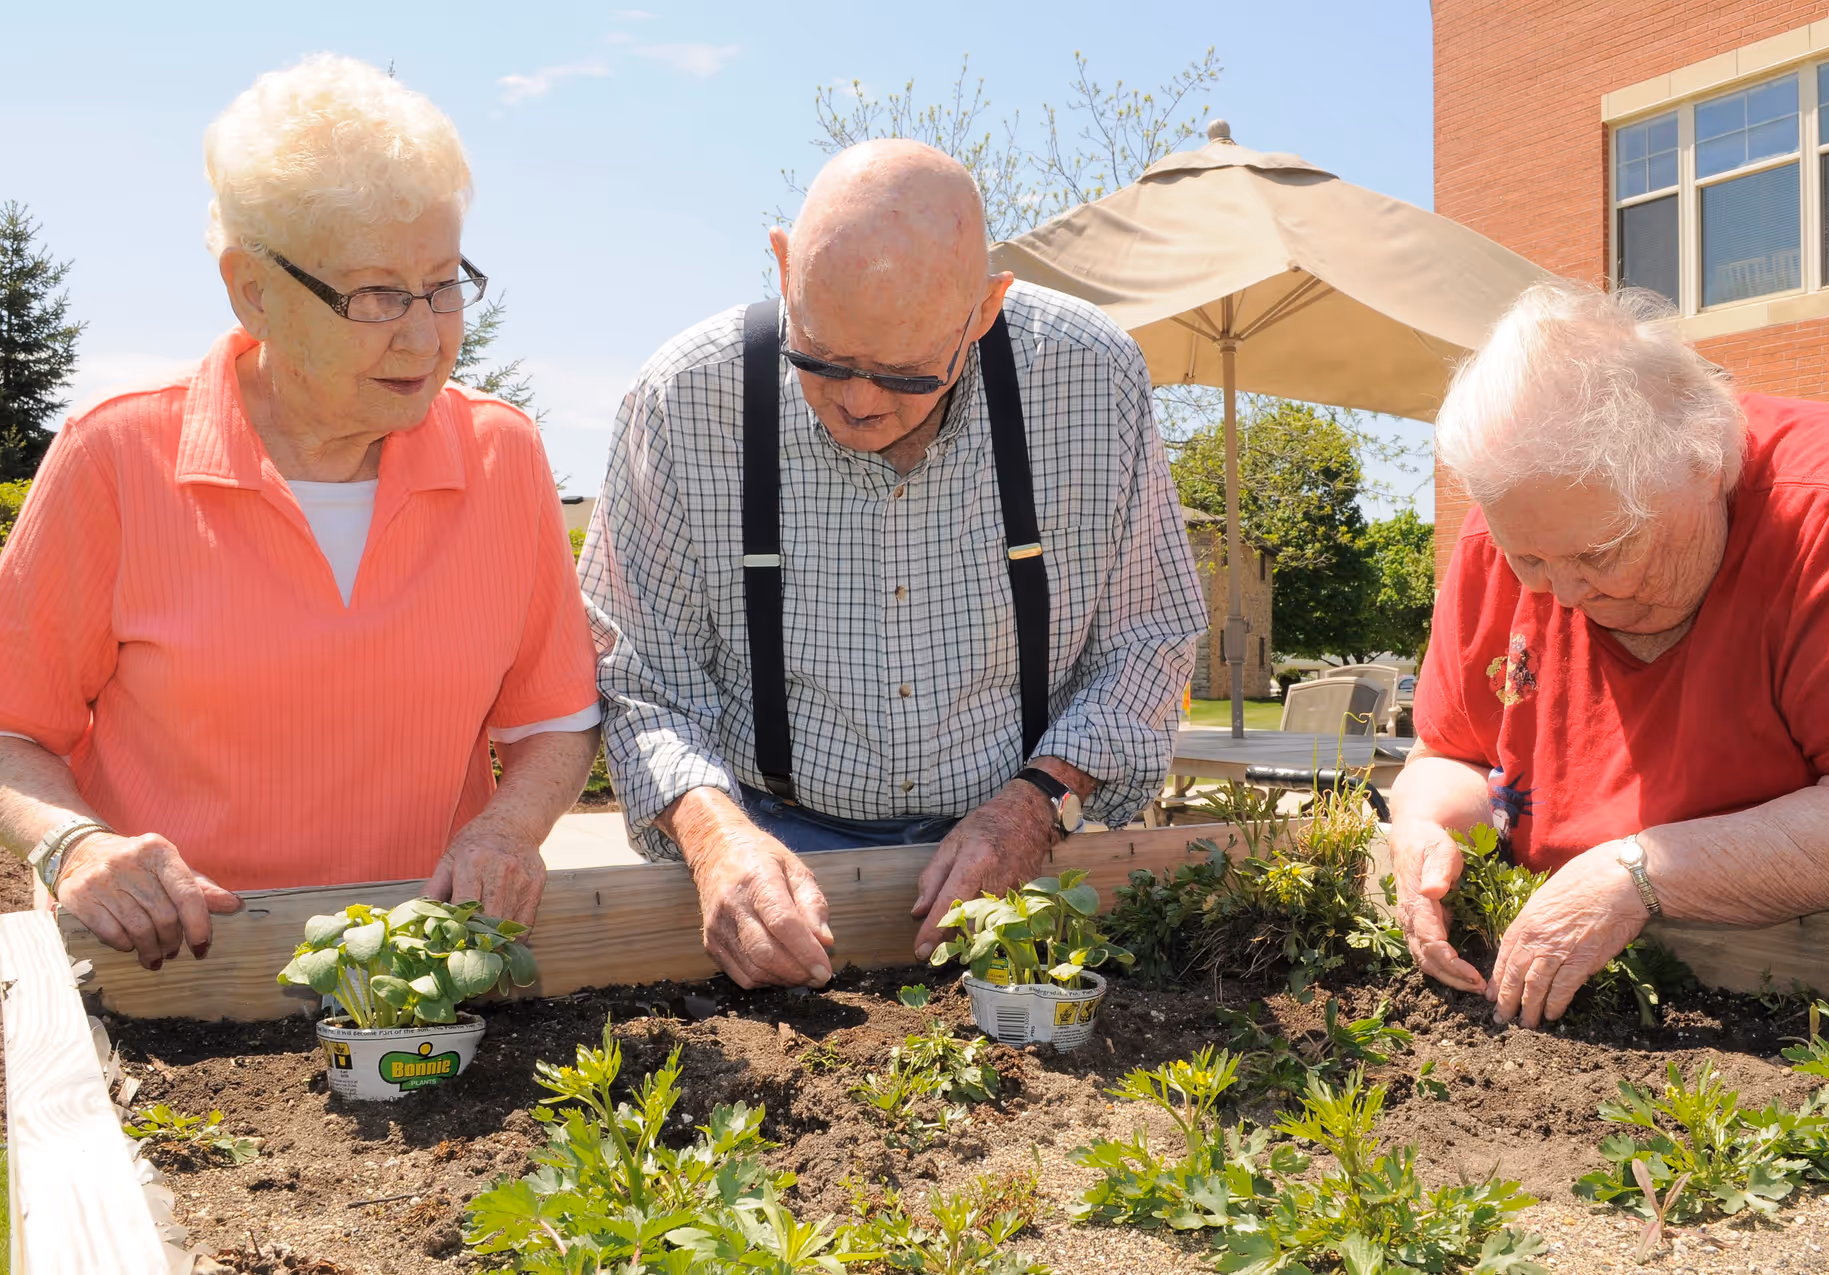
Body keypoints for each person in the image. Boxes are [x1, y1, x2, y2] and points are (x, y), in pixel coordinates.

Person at [0, 55, 600, 971]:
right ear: (253, 290)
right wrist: (73, 846)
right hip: (168, 974)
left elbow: (555, 718)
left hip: (421, 977)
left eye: (443, 283)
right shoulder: (114, 458)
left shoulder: (502, 455)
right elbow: (12, 729)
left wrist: (507, 829)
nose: (422, 331)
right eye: (375, 294)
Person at [582, 139, 1206, 991]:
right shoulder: (682, 400)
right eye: (822, 356)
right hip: (774, 852)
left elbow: (1151, 637)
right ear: (782, 264)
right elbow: (636, 678)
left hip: (1030, 846)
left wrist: (1037, 806)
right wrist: (712, 834)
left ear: (984, 311)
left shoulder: (1091, 377)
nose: (859, 400)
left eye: (907, 374)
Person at [1394, 279, 1829, 1028]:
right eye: (1531, 560)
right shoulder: (1506, 532)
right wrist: (1424, 829)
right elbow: (1453, 756)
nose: (1563, 593)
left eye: (1602, 551)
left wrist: (1636, 873)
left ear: (1706, 460)